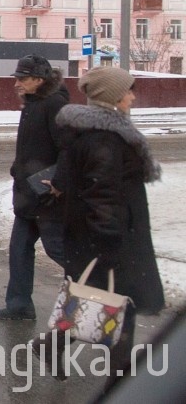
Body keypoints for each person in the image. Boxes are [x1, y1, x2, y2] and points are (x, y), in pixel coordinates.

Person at [51, 66, 164, 389]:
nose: (132, 95)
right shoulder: (105, 139)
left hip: (98, 233)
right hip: (108, 235)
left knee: (98, 300)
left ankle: (50, 346)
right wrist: (110, 241)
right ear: (112, 97)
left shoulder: (93, 133)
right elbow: (102, 193)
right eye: (127, 90)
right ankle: (122, 383)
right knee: (120, 305)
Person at [0, 55, 68, 321]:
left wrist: (59, 183)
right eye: (17, 78)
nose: (17, 83)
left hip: (47, 196)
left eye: (23, 78)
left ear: (40, 79)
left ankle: (99, 285)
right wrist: (18, 168)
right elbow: (32, 146)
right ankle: (19, 306)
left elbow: (67, 149)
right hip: (27, 195)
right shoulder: (33, 104)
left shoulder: (55, 104)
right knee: (19, 250)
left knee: (58, 249)